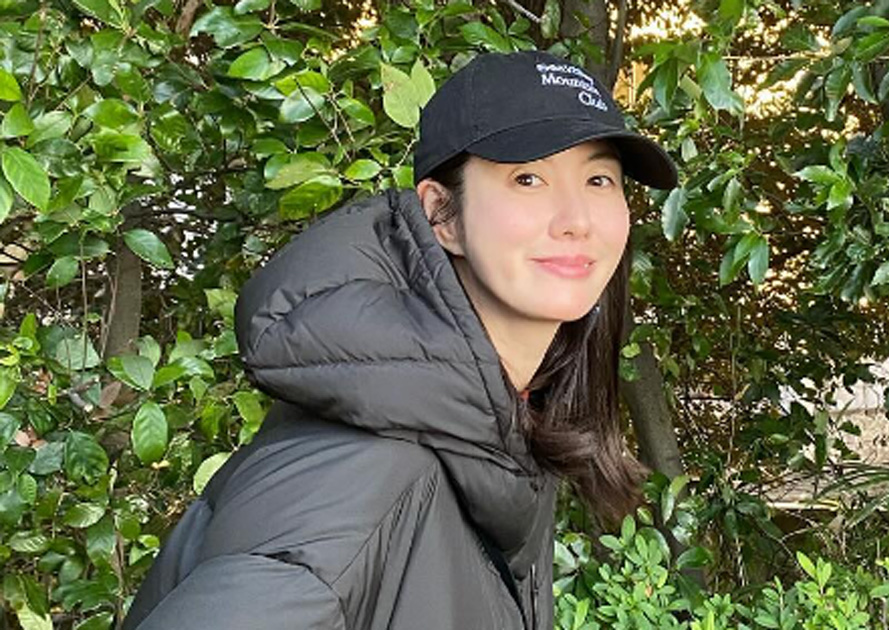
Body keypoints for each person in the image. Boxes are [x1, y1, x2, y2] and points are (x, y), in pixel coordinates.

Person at [123, 50, 677, 630]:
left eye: (598, 179)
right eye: (528, 178)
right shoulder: (358, 480)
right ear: (443, 214)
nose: (576, 220)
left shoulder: (492, 430)